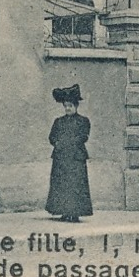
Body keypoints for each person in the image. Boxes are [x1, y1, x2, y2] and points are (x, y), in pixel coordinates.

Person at [46, 84, 93, 222]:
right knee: (62, 185)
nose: (67, 108)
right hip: (60, 158)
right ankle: (64, 212)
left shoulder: (83, 121)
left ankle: (75, 213)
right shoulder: (58, 122)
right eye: (65, 106)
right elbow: (52, 137)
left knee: (75, 185)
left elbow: (83, 137)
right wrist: (58, 143)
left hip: (76, 158)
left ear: (76, 106)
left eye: (70, 106)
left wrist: (67, 143)